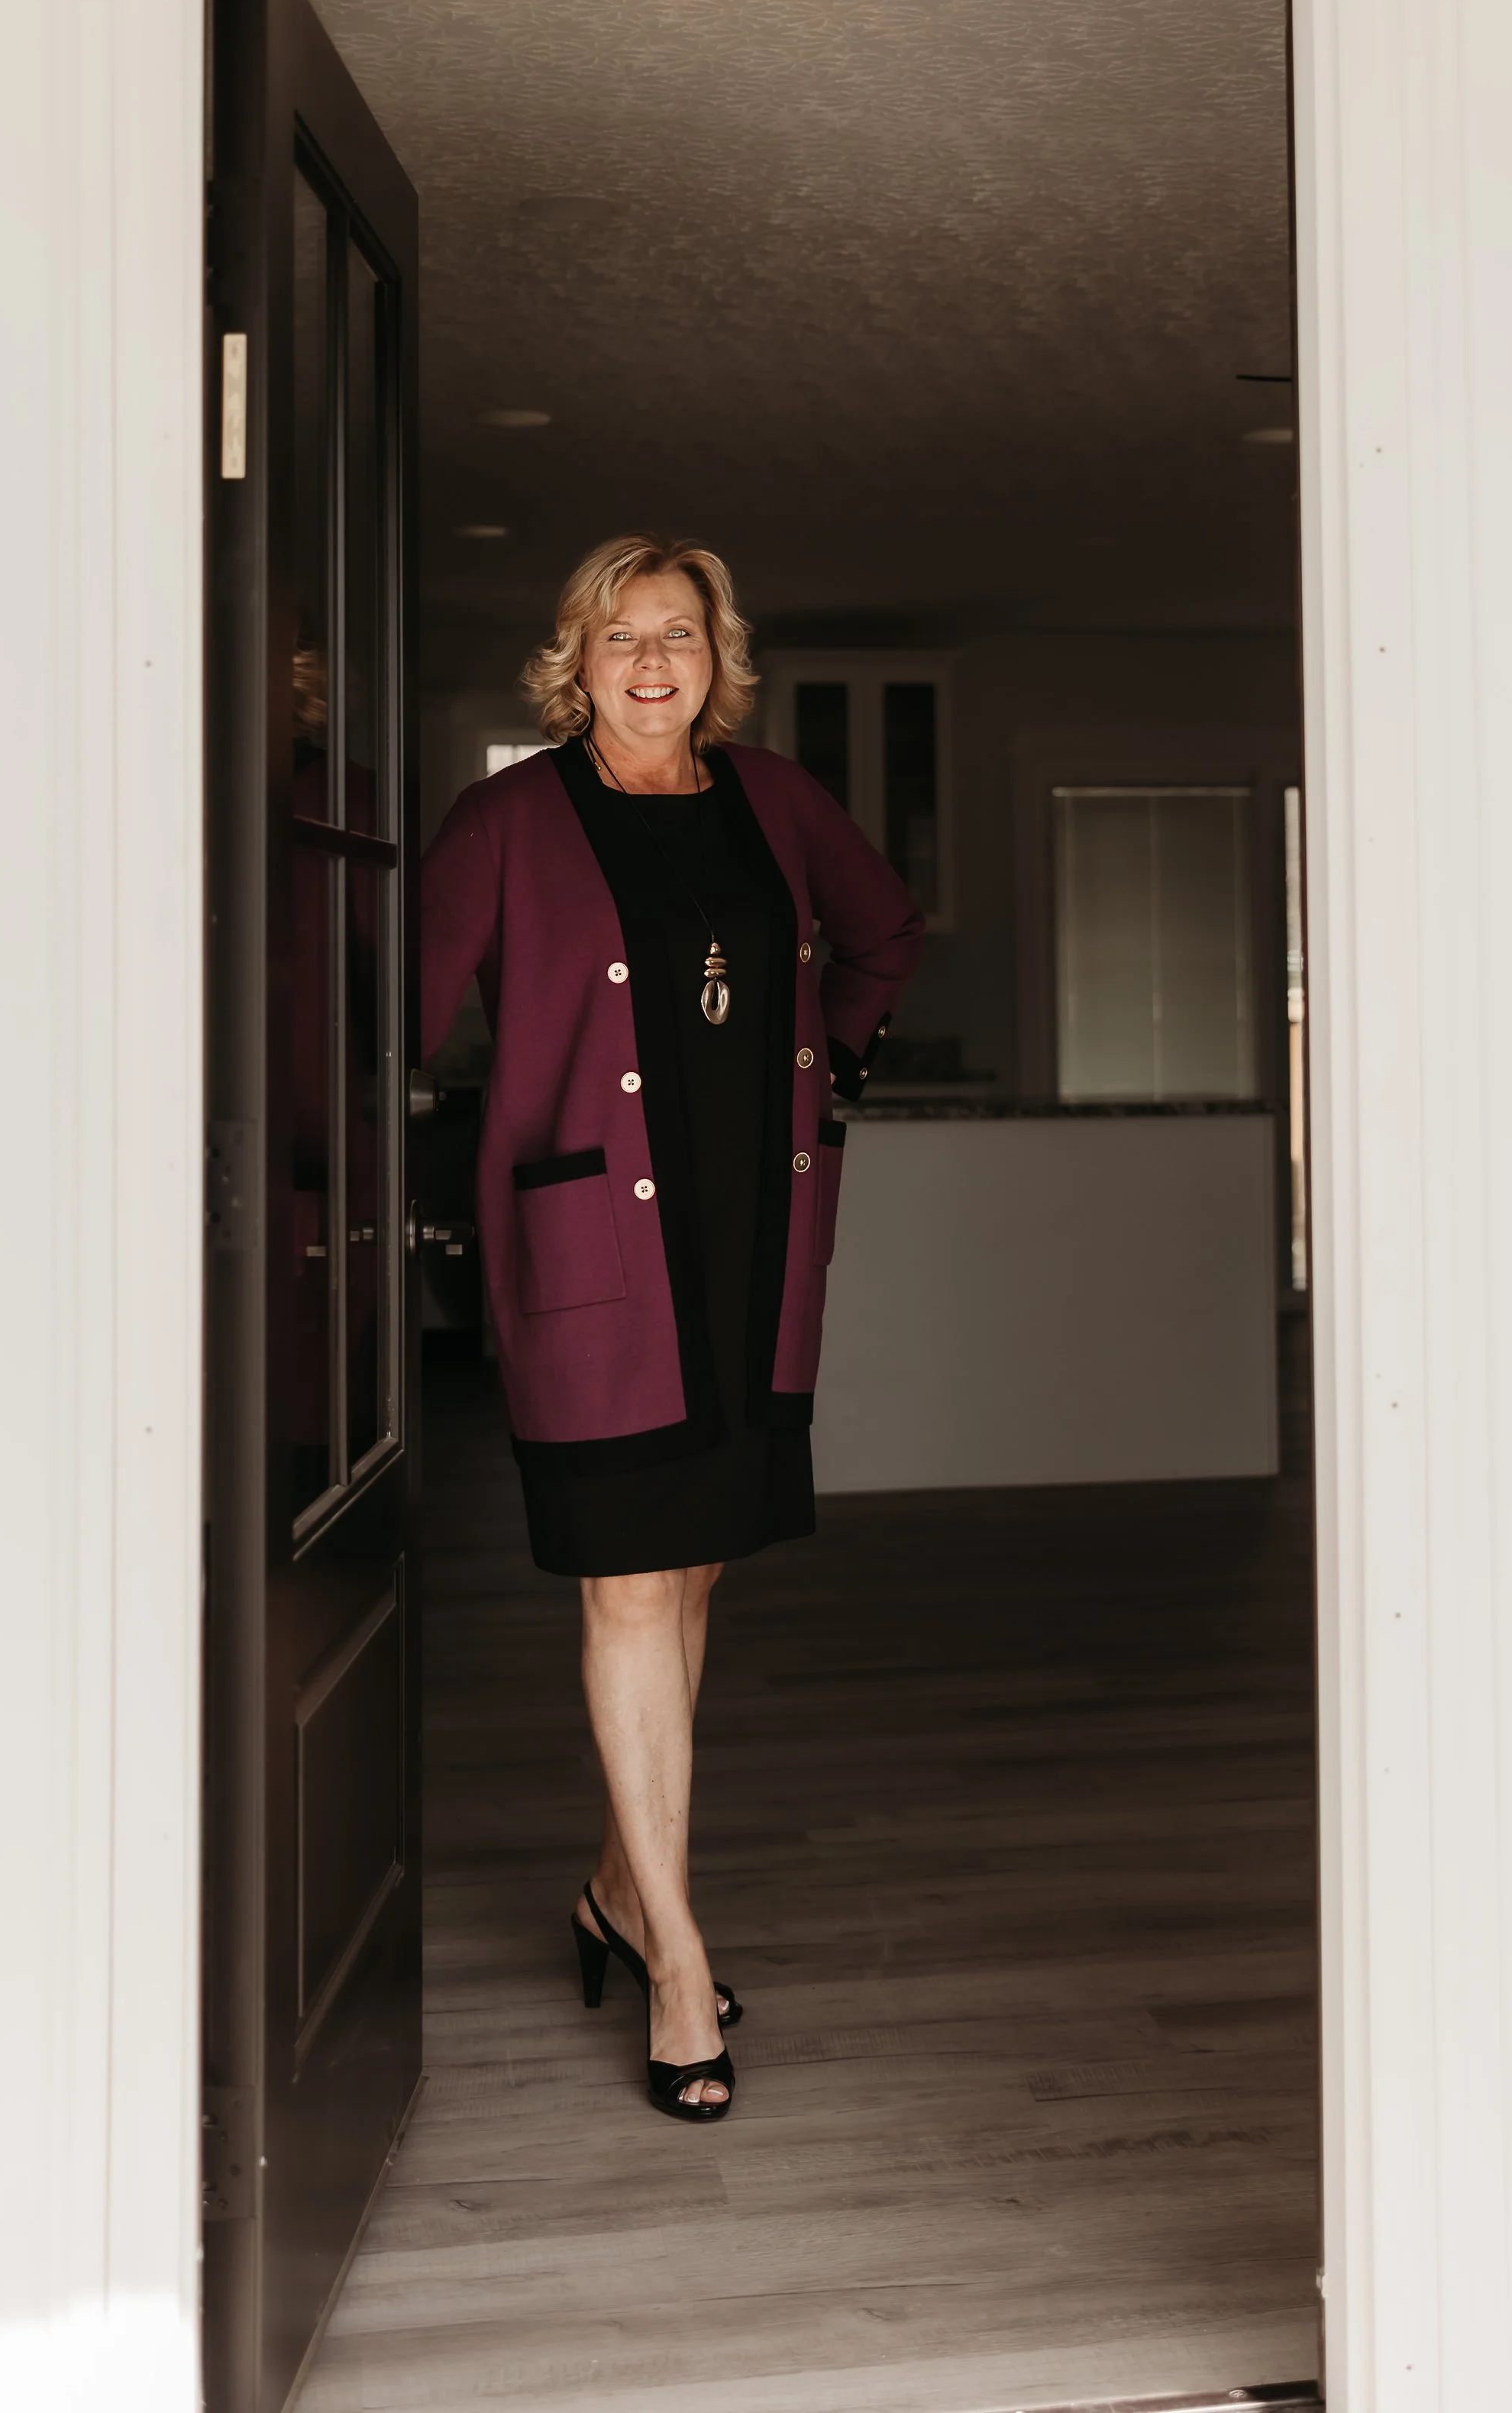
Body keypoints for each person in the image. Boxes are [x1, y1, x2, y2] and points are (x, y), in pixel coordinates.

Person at [421, 535, 922, 2120]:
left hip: (750, 1250)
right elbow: (391, 1026)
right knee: (631, 1587)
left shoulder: (776, 804)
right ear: (574, 660)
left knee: (690, 1575)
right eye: (620, 636)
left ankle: (622, 1892)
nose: (652, 663)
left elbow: (879, 932)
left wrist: (830, 1063)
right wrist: (460, 1174)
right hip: (589, 1260)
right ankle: (681, 1963)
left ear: (719, 659)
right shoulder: (501, 823)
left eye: (680, 636)